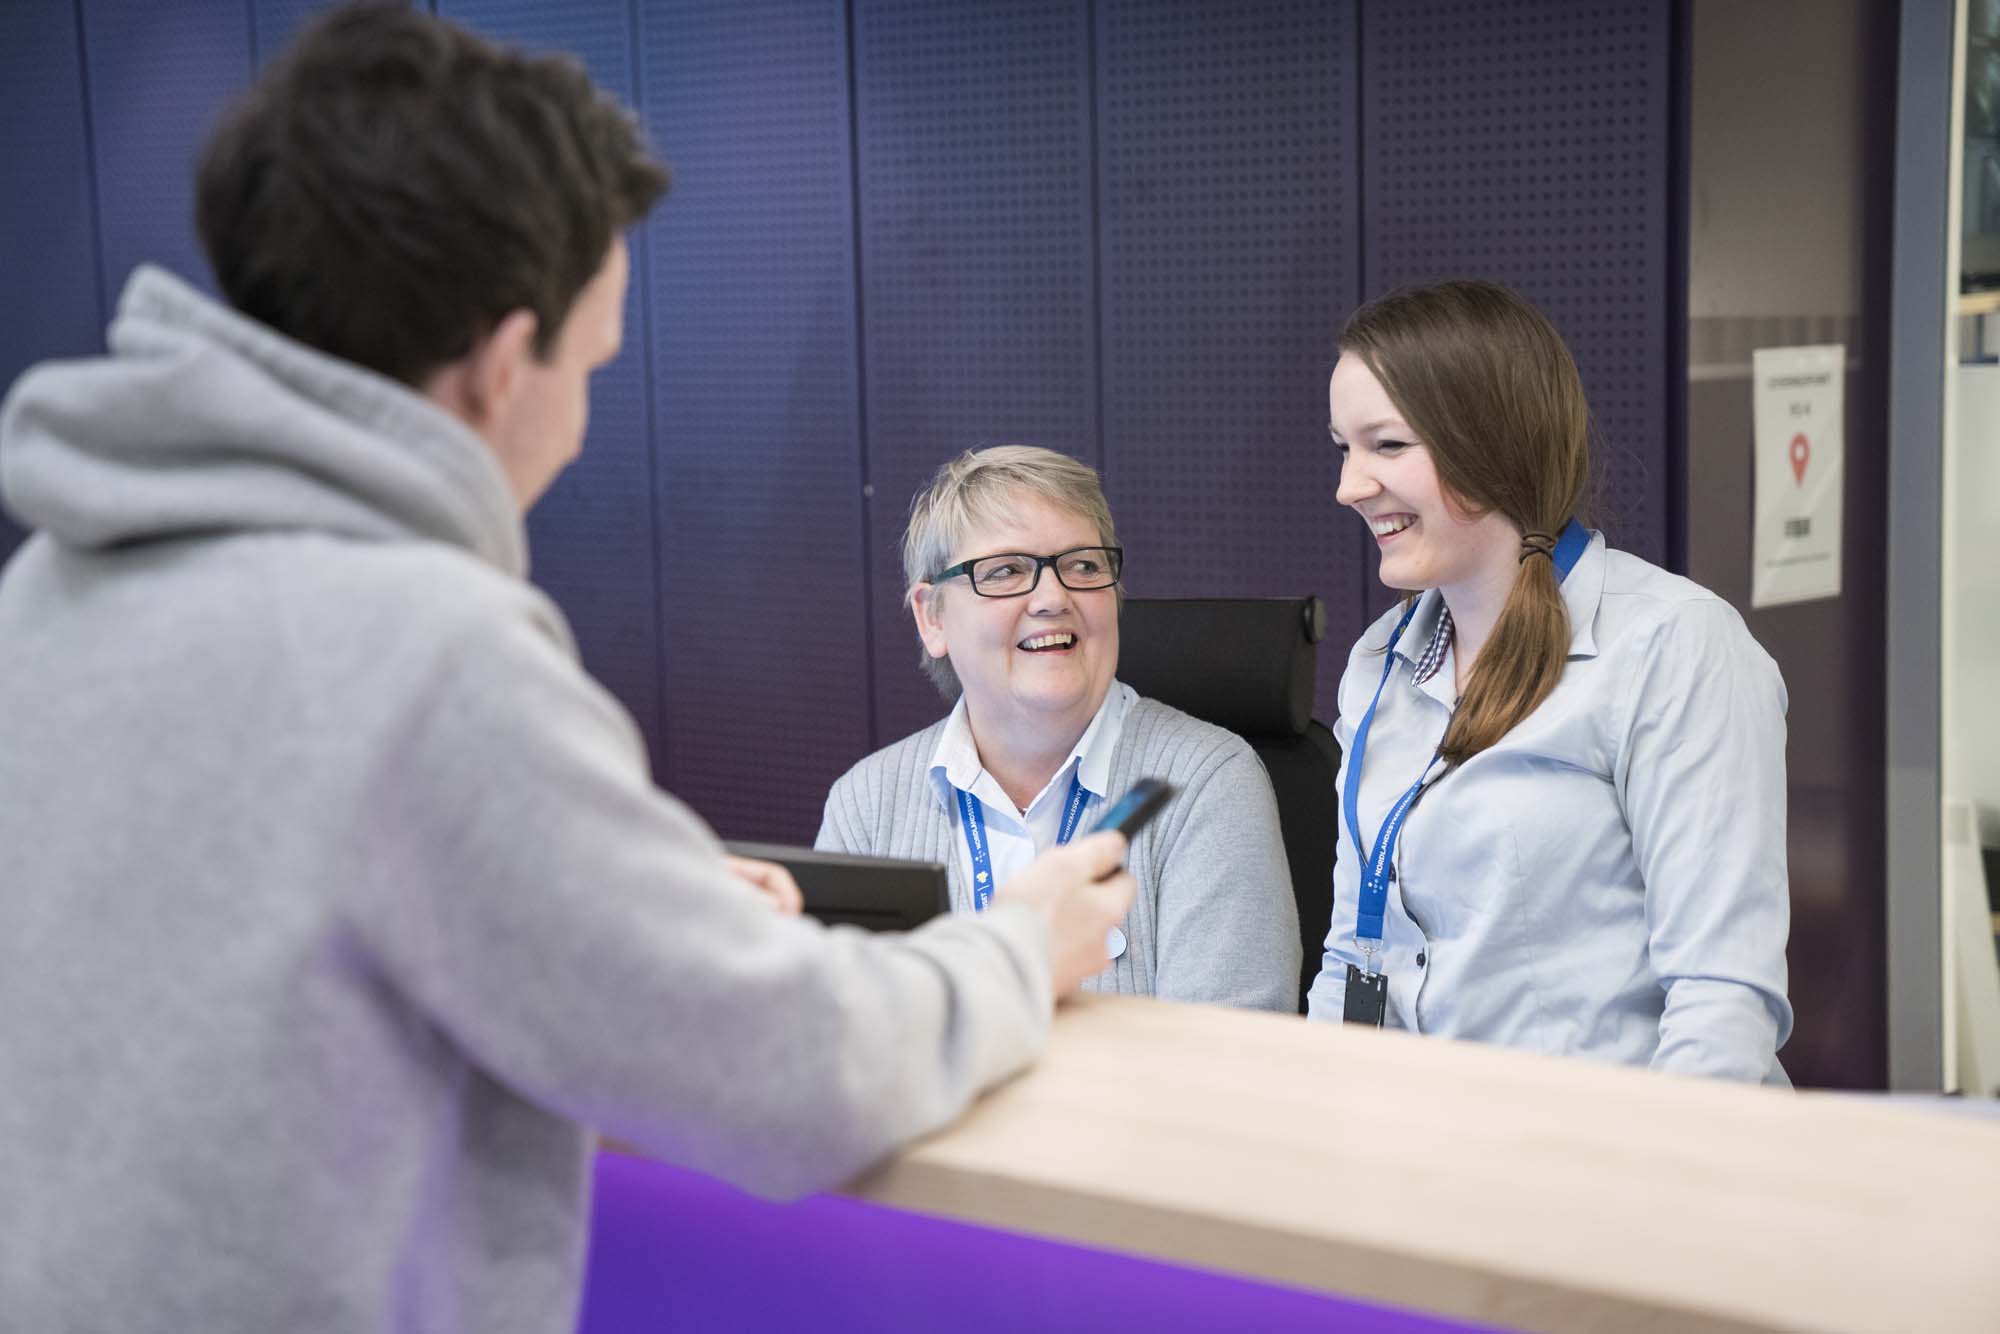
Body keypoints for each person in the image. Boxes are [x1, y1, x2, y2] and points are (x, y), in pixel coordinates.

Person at [0, 6, 1135, 1331]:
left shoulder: (54, 587)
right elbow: (791, 1072)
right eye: (589, 364)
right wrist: (1020, 947)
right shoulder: (432, 649)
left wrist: (600, 896)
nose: (584, 425)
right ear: (497, 367)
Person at [1305, 279, 1792, 1084]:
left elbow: (1722, 1004)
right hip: (1423, 1153)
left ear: (1488, 445)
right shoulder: (1380, 660)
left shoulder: (1674, 647)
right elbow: (1351, 957)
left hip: (1608, 1167)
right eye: (1343, 448)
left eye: (1386, 446)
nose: (1350, 485)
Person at [818, 446, 1300, 1011]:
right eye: (1005, 571)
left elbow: (1228, 1069)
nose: (1052, 597)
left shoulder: (1205, 784)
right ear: (932, 617)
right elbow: (835, 1050)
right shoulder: (866, 805)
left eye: (1083, 565)